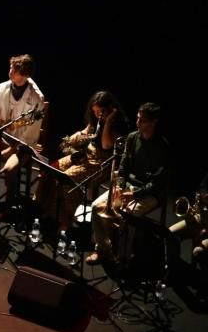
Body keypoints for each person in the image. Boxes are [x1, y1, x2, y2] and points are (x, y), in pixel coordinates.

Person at [87, 102, 170, 265]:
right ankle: (102, 249)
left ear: (154, 122)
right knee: (96, 207)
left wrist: (135, 194)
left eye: (143, 120)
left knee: (127, 215)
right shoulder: (132, 138)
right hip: (128, 187)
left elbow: (157, 182)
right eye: (138, 118)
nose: (138, 122)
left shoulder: (162, 147)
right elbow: (124, 166)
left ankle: (122, 257)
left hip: (149, 193)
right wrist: (120, 185)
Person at [36, 90, 129, 232]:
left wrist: (108, 122)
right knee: (51, 171)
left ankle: (64, 222)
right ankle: (42, 211)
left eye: (100, 111)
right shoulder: (96, 121)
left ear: (110, 108)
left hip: (102, 163)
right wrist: (73, 140)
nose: (97, 115)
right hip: (87, 156)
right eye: (95, 111)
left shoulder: (118, 125)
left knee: (67, 180)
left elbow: (106, 145)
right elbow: (84, 133)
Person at [0, 54, 45, 211]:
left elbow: (30, 135)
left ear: (25, 75)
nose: (10, 72)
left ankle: (10, 205)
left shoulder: (36, 99)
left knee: (10, 169)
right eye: (11, 68)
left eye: (14, 70)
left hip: (22, 146)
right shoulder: (1, 88)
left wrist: (11, 150)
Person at [170, 171, 208, 272]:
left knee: (198, 251)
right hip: (201, 218)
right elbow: (202, 185)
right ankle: (173, 270)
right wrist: (202, 194)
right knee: (169, 234)